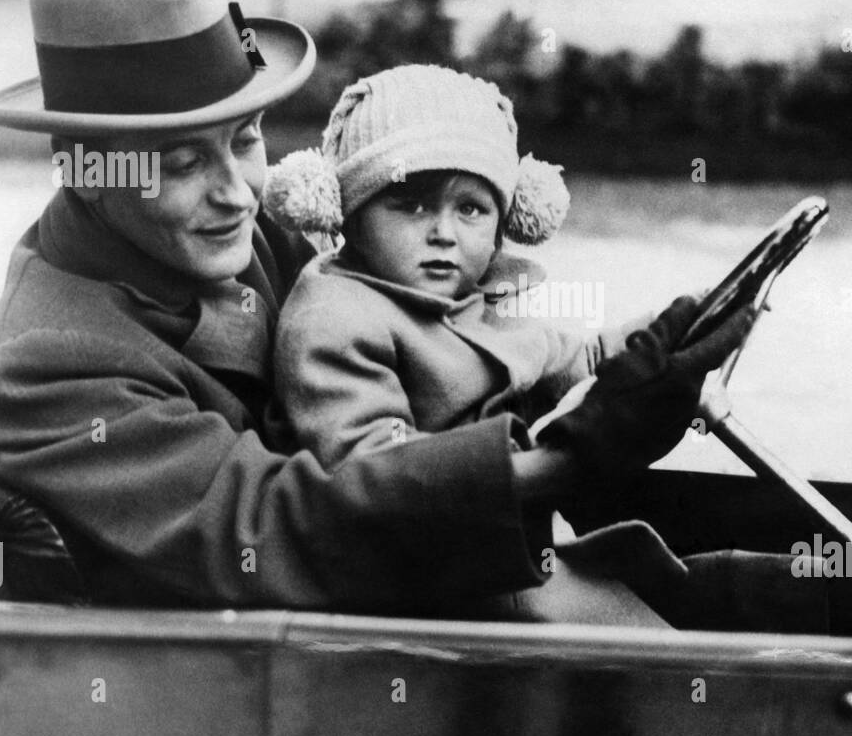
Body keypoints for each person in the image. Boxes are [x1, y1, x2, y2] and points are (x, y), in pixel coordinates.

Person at [0, 0, 751, 622]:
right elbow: (277, 525)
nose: (237, 192)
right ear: (83, 167)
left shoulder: (251, 232)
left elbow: (425, 349)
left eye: (245, 139)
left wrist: (605, 367)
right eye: (180, 164)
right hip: (263, 708)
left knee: (789, 595)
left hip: (455, 592)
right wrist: (568, 459)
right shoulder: (46, 369)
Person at [261, 63, 646, 467]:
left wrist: (682, 324)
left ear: (504, 223)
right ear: (350, 214)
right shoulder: (334, 320)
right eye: (412, 206)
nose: (444, 232)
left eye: (470, 208)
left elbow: (583, 361)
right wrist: (542, 466)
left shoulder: (481, 296)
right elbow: (376, 469)